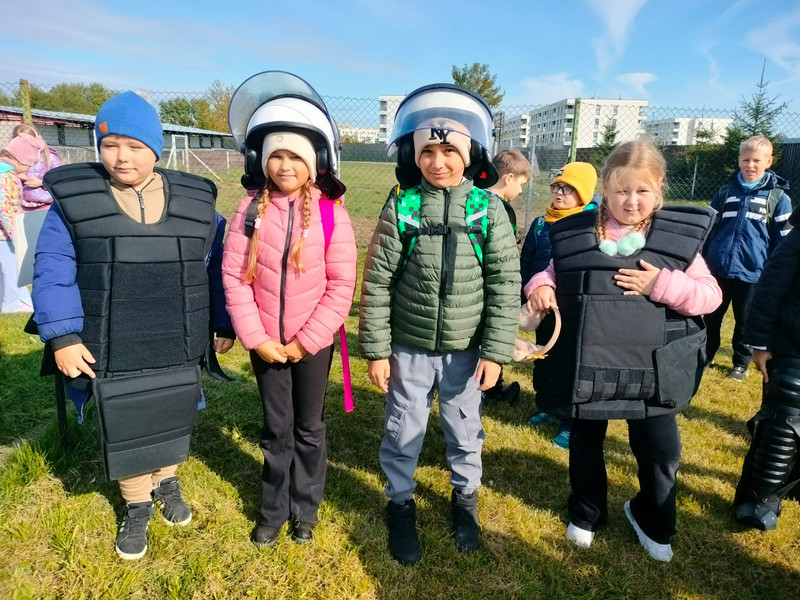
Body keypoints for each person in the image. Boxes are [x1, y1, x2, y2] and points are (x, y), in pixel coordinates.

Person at [31, 91, 235, 560]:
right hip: (113, 338)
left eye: (135, 146)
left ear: (156, 149)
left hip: (176, 334)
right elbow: (53, 268)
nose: (122, 156)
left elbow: (216, 266)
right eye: (110, 145)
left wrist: (223, 322)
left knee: (171, 409)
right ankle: (137, 503)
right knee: (128, 418)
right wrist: (62, 335)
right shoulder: (73, 203)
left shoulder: (196, 202)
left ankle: (166, 481)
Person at [525, 141, 722, 562]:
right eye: (621, 191)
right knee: (585, 441)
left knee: (660, 450)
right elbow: (552, 272)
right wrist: (540, 286)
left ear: (659, 187)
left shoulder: (676, 240)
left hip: (653, 371)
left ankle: (651, 517)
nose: (631, 201)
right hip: (589, 365)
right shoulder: (579, 232)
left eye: (642, 191)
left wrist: (660, 284)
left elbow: (710, 296)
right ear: (605, 190)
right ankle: (587, 512)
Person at [359, 83, 520, 564]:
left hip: (466, 351)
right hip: (408, 346)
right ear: (414, 155)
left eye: (450, 151)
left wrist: (495, 352)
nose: (438, 161)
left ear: (469, 155)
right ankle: (400, 503)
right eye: (427, 151)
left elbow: (505, 283)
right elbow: (378, 281)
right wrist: (377, 350)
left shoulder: (488, 210)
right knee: (402, 427)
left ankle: (465, 499)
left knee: (464, 428)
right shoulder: (403, 206)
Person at [222, 71, 357, 548]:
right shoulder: (248, 211)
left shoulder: (330, 214)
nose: (284, 165)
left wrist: (306, 341)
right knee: (276, 428)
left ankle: (306, 509)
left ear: (316, 161)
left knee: (309, 427)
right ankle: (272, 510)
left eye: (295, 156)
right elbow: (234, 278)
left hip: (311, 344)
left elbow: (341, 285)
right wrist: (257, 338)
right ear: (260, 159)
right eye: (275, 155)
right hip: (265, 343)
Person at [520, 161, 598, 449]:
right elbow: (527, 262)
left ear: (583, 194)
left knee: (571, 362)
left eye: (568, 188)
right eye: (556, 186)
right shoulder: (541, 224)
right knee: (545, 356)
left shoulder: (591, 226)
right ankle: (550, 406)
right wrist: (525, 296)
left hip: (573, 309)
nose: (559, 192)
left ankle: (570, 421)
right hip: (541, 306)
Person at [733, 204, 800, 530]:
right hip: (791, 349)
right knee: (782, 424)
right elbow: (769, 289)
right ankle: (759, 500)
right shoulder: (796, 239)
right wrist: (759, 344)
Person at [702, 136, 792, 381]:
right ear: (739, 160)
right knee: (711, 316)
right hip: (718, 268)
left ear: (768, 162)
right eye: (746, 159)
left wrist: (776, 272)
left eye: (756, 160)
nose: (750, 165)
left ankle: (741, 363)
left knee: (745, 321)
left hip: (753, 272)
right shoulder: (725, 193)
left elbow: (784, 241)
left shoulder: (778, 198)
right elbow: (707, 229)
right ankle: (706, 355)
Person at [481, 148, 532, 405]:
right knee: (496, 329)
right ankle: (492, 389)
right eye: (521, 184)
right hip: (493, 282)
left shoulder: (475, 199)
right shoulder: (501, 208)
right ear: (508, 178)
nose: (521, 191)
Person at [0, 133, 43, 313]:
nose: (29, 169)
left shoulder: (8, 173)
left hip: (5, 233)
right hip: (4, 235)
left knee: (7, 268)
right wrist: (15, 235)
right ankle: (14, 303)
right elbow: (3, 209)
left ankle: (11, 300)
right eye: (29, 164)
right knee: (11, 268)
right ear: (20, 158)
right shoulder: (5, 176)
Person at [11, 123, 62, 210]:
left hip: (47, 204)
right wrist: (16, 175)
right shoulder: (13, 159)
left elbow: (60, 180)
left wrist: (43, 183)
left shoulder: (50, 158)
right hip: (22, 205)